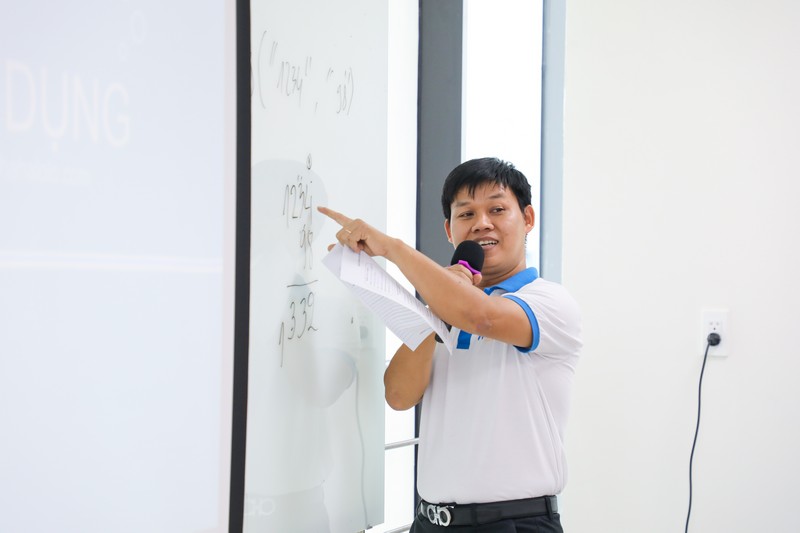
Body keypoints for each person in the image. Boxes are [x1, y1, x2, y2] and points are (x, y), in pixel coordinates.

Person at [319, 157, 582, 532]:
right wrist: (434, 311)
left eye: (497, 209)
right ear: (449, 229)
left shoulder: (549, 301)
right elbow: (399, 395)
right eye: (466, 214)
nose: (481, 223)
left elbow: (482, 317)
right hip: (429, 522)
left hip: (511, 524)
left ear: (527, 218)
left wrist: (393, 249)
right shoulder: (447, 311)